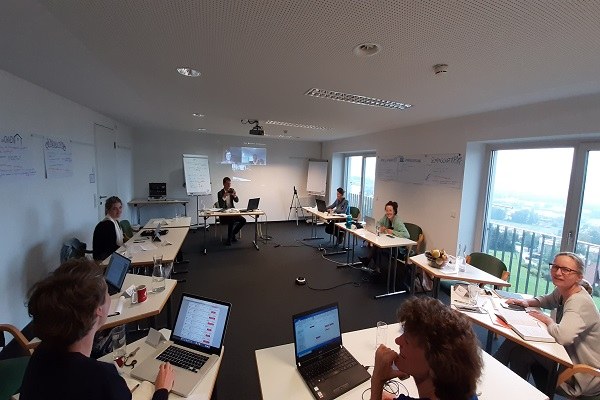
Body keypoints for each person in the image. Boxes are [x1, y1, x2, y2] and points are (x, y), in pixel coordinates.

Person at [20, 259, 174, 400]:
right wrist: (161, 390)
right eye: (107, 293)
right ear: (98, 310)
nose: (109, 297)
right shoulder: (103, 379)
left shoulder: (40, 354)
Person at [494, 252, 600, 397]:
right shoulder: (565, 290)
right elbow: (548, 300)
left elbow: (563, 337)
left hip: (581, 375)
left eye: (566, 270)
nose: (558, 272)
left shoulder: (578, 302)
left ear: (579, 277)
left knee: (518, 345)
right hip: (565, 358)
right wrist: (527, 302)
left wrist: (548, 320)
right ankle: (515, 393)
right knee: (520, 353)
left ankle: (489, 376)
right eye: (555, 267)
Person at [371, 297, 482, 400]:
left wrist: (378, 379)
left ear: (435, 364)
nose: (397, 341)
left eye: (407, 341)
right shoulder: (467, 393)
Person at [359, 201, 410, 271]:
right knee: (376, 245)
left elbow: (407, 235)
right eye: (387, 210)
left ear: (394, 211)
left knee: (379, 249)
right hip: (389, 242)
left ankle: (375, 266)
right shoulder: (385, 217)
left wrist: (393, 232)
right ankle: (374, 266)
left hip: (398, 248)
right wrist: (380, 227)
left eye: (390, 210)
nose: (388, 212)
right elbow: (378, 223)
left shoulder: (398, 221)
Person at [93, 196, 127, 261]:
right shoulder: (107, 224)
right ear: (108, 210)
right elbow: (110, 248)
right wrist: (126, 248)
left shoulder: (115, 221)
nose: (119, 211)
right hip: (103, 259)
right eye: (114, 209)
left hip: (110, 255)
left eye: (120, 207)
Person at [217, 177, 246, 245]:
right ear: (224, 184)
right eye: (227, 184)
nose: (229, 185)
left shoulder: (232, 190)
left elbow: (237, 201)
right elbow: (220, 205)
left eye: (230, 184)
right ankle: (229, 240)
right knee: (231, 220)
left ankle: (233, 234)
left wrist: (234, 195)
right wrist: (224, 196)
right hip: (224, 214)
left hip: (232, 212)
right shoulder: (220, 193)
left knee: (243, 220)